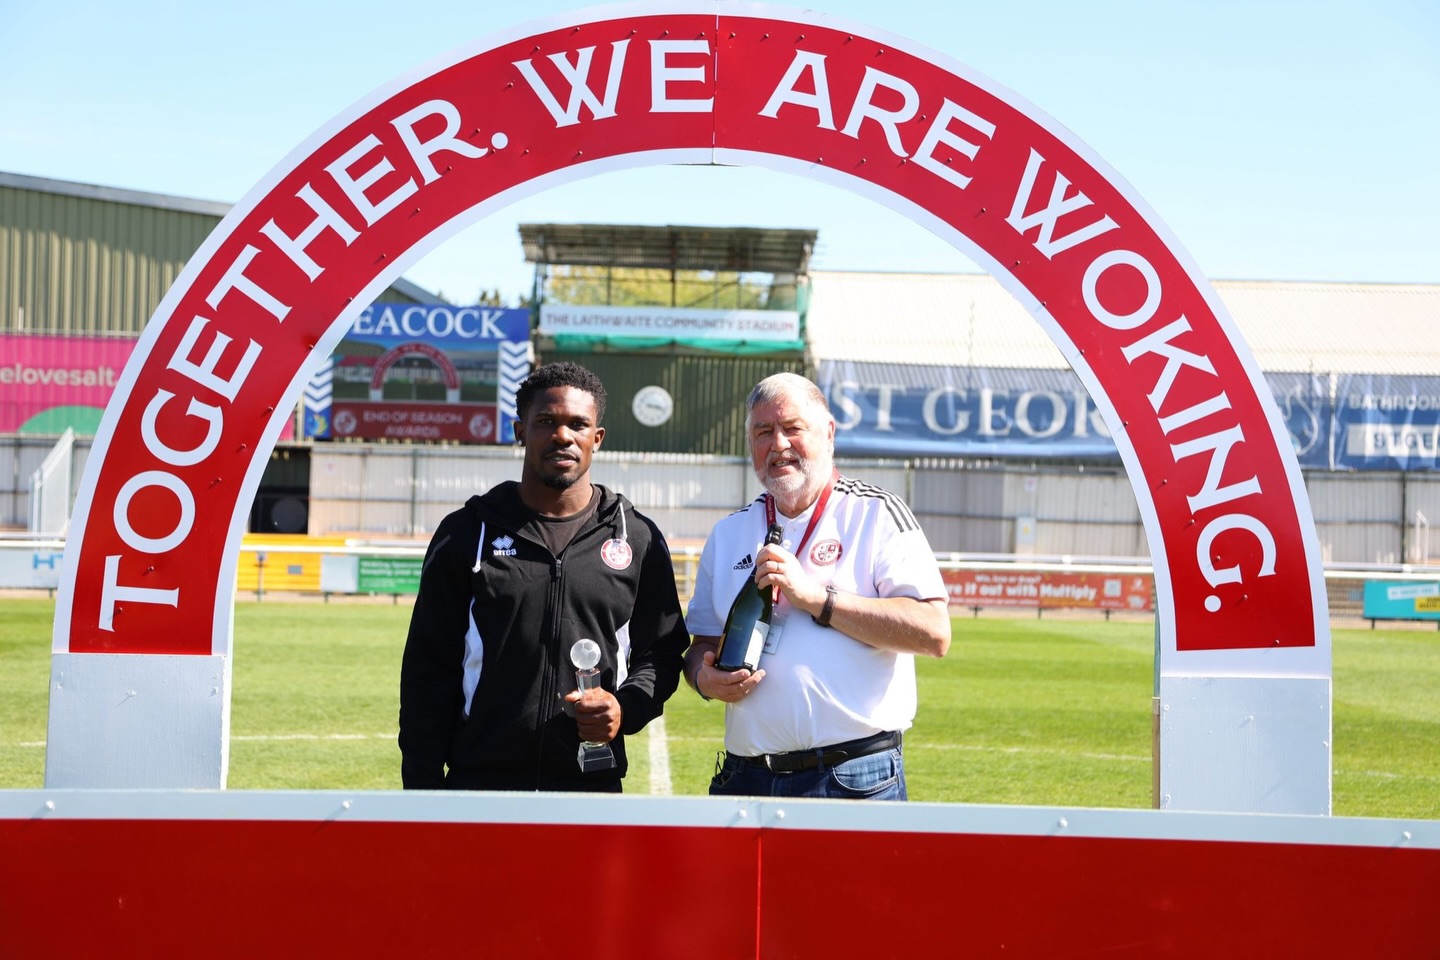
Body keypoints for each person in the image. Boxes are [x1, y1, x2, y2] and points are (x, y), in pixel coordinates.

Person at [400, 361, 689, 792]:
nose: (562, 436)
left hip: (591, 787)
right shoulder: (467, 532)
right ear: (520, 431)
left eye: (578, 424)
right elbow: (427, 668)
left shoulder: (637, 537)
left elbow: (662, 652)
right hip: (481, 785)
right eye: (546, 422)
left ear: (597, 438)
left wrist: (624, 708)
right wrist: (421, 789)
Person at [683, 372, 951, 800]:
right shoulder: (728, 533)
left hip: (855, 778)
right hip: (746, 778)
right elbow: (703, 644)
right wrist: (703, 678)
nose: (778, 444)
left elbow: (933, 632)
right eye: (763, 432)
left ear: (828, 433)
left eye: (792, 428)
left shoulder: (876, 513)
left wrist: (815, 598)